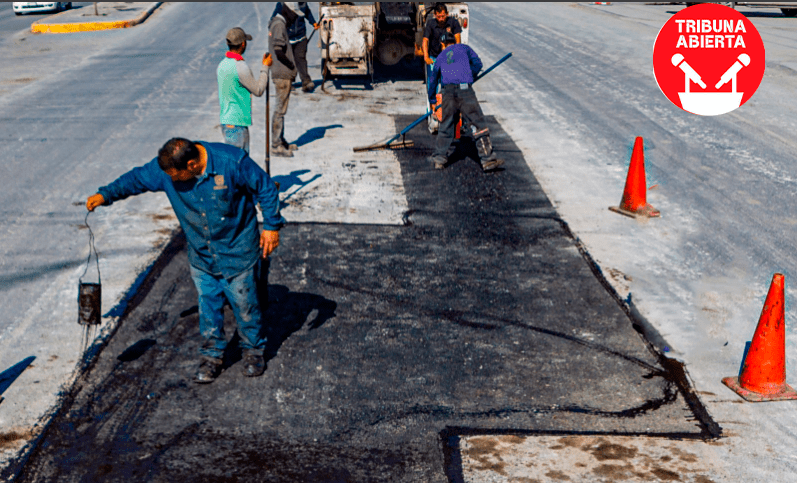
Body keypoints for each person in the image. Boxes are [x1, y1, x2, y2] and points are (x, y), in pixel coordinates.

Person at [86, 138, 286, 384]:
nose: (169, 179)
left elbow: (265, 187)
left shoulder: (231, 162)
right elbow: (136, 179)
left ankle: (253, 350)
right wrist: (105, 195)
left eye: (174, 175)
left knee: (245, 305)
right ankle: (212, 355)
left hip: (237, 250)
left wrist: (271, 227)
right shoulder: (168, 170)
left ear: (192, 165)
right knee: (209, 306)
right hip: (202, 255)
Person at [427, 34, 504, 172]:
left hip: (448, 93)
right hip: (465, 91)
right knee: (478, 124)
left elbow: (433, 80)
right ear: (456, 41)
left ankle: (439, 160)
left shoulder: (440, 57)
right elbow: (478, 64)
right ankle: (487, 160)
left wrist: (432, 99)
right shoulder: (464, 48)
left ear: (443, 44)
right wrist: (470, 77)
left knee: (446, 126)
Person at [217, 27, 272, 154]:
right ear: (243, 44)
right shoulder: (240, 66)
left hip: (226, 122)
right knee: (240, 166)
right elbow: (258, 90)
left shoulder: (222, 65)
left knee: (233, 163)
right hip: (237, 124)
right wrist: (265, 67)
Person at [269, 2, 304, 158]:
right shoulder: (279, 25)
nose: (295, 18)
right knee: (280, 111)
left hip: (282, 74)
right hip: (282, 74)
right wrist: (291, 65)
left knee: (281, 110)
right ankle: (276, 145)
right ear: (287, 11)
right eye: (294, 14)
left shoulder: (278, 24)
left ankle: (281, 141)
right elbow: (278, 50)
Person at [423, 2, 462, 132]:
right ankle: (432, 117)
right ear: (435, 15)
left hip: (448, 59)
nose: (441, 19)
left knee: (446, 86)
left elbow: (457, 40)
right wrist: (426, 57)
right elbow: (425, 41)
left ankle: (448, 116)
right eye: (439, 16)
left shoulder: (453, 22)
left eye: (443, 16)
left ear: (447, 14)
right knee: (432, 85)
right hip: (434, 58)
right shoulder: (431, 24)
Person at [271, 2, 319, 93]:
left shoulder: (303, 3)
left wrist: (313, 23)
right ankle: (289, 82)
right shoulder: (281, 4)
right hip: (287, 38)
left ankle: (306, 81)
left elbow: (307, 12)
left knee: (300, 58)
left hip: (301, 36)